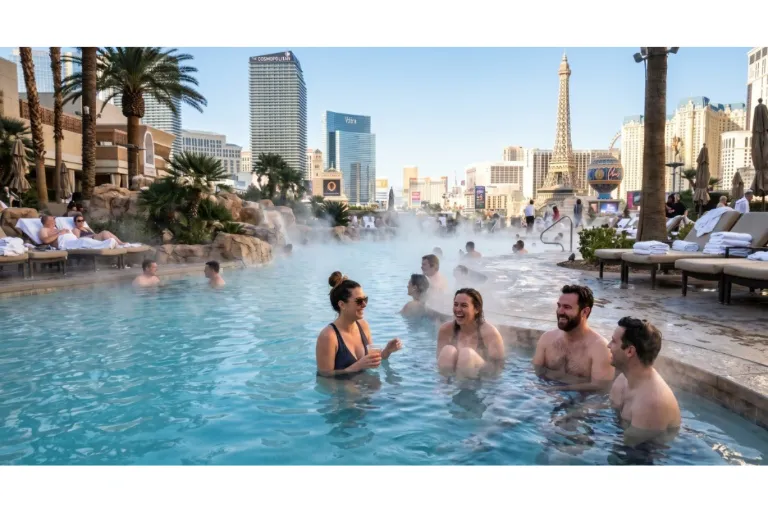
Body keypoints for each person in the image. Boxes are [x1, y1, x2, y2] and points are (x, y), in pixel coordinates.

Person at [608, 317, 681, 447]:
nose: (608, 345)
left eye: (613, 341)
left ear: (630, 351)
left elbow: (628, 447)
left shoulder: (652, 403)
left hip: (647, 455)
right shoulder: (622, 379)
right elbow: (610, 411)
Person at [315, 272, 403, 377]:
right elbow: (324, 376)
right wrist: (356, 367)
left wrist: (387, 351)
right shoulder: (329, 336)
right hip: (343, 391)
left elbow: (371, 362)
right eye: (359, 301)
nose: (364, 305)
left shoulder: (363, 326)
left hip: (365, 388)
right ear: (342, 305)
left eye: (365, 299)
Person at [532, 284, 615, 392]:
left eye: (567, 307)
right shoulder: (547, 339)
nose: (560, 311)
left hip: (581, 401)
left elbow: (600, 388)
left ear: (585, 312)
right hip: (545, 395)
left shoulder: (599, 348)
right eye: (559, 306)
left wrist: (559, 389)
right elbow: (535, 372)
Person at [437, 288, 504, 379]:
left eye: (464, 306)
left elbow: (498, 369)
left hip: (480, 378)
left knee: (467, 354)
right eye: (456, 305)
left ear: (476, 309)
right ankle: (443, 389)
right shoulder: (446, 330)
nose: (458, 309)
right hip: (452, 377)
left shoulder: (490, 333)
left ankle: (465, 389)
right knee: (448, 350)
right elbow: (439, 360)